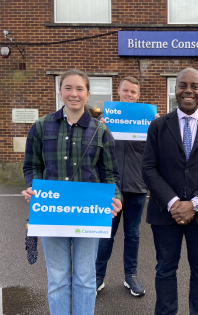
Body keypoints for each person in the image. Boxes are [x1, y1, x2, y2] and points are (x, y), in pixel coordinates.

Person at [22, 69, 122, 315]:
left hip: (88, 214)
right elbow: (33, 166)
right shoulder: (41, 127)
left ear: (88, 95)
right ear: (60, 91)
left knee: (86, 279)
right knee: (57, 279)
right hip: (51, 212)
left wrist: (115, 198)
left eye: (79, 89)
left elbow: (110, 174)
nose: (73, 94)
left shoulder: (101, 131)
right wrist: (34, 187)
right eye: (68, 88)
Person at [142, 68, 198, 315]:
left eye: (194, 86)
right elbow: (148, 168)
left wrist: (195, 203)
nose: (188, 90)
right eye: (182, 85)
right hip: (165, 213)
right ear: (175, 89)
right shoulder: (158, 126)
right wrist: (173, 202)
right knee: (165, 269)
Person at [95, 77, 150, 297]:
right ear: (118, 92)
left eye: (133, 92)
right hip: (110, 187)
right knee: (105, 234)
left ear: (138, 95)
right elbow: (95, 152)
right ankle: (98, 276)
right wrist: (98, 130)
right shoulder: (105, 119)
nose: (129, 95)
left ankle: (131, 276)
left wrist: (155, 127)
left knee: (133, 234)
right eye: (125, 90)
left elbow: (154, 153)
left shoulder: (147, 121)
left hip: (137, 187)